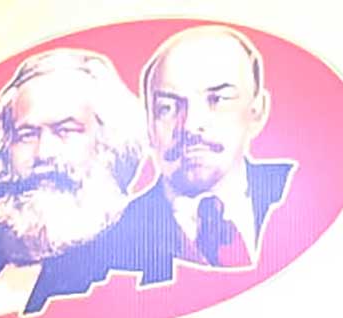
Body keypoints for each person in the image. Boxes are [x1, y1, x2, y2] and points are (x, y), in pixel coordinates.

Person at [66, 25, 294, 287]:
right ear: (149, 126)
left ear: (257, 111)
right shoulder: (99, 249)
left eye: (218, 99)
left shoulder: (298, 188)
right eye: (168, 108)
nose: (189, 125)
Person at [0, 48, 147, 317]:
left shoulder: (140, 264)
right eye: (27, 134)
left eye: (66, 130)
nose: (43, 153)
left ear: (107, 142)